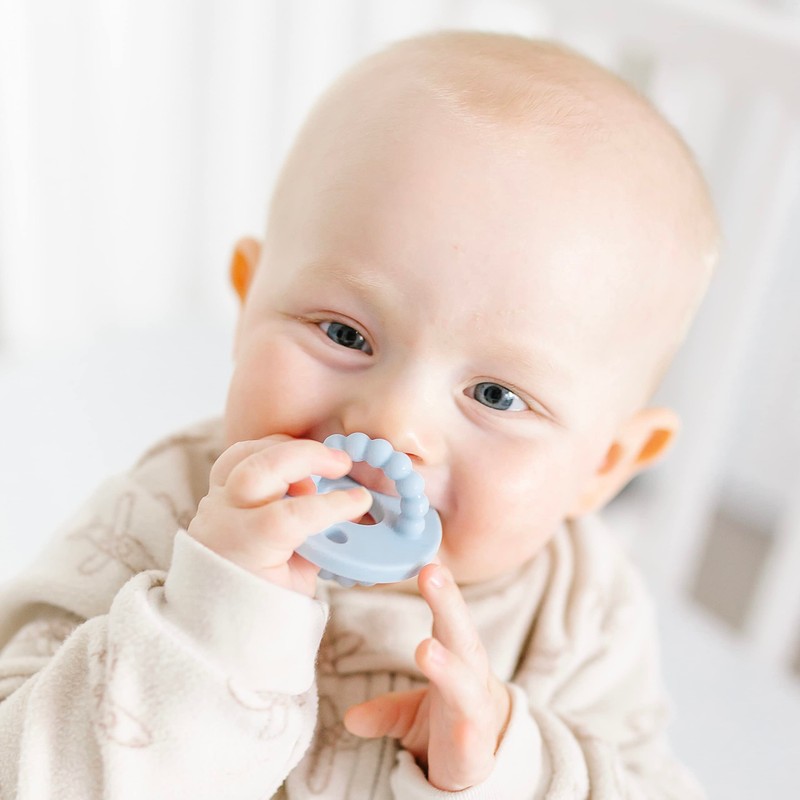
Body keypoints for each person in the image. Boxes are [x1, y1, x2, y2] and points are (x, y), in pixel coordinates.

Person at [0, 30, 718, 799]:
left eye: (497, 396)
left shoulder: (582, 612)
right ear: (248, 307)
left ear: (603, 466)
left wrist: (507, 768)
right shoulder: (165, 510)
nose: (394, 425)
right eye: (345, 333)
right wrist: (208, 629)